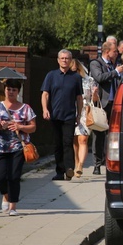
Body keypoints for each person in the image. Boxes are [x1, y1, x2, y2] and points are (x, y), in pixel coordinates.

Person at [0, 79, 37, 216]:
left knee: (14, 176)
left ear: (18, 92)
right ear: (4, 90)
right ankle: (6, 195)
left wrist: (20, 126)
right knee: (0, 177)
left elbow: (33, 127)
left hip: (18, 147)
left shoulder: (25, 108)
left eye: (14, 90)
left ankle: (13, 207)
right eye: (8, 89)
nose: (11, 92)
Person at [41, 49, 83, 181]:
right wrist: (45, 109)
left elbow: (79, 98)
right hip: (55, 114)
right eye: (62, 58)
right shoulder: (51, 75)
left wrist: (79, 114)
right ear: (58, 60)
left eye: (67, 58)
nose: (65, 60)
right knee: (58, 144)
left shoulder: (76, 77)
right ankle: (60, 171)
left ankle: (69, 168)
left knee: (68, 142)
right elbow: (45, 94)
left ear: (71, 60)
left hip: (69, 115)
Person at [90, 42, 123, 175]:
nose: (116, 53)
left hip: (115, 103)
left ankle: (112, 161)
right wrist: (116, 72)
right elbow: (99, 77)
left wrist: (118, 72)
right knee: (99, 134)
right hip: (102, 104)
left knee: (114, 134)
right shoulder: (96, 63)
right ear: (107, 51)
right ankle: (97, 164)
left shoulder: (114, 64)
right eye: (115, 51)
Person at [71, 59, 98, 178]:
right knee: (75, 141)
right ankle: (76, 163)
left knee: (83, 139)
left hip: (85, 111)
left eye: (76, 70)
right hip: (71, 110)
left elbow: (94, 100)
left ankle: (80, 165)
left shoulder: (89, 80)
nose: (74, 73)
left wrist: (95, 93)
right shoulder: (68, 80)